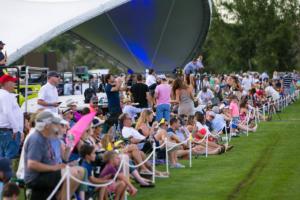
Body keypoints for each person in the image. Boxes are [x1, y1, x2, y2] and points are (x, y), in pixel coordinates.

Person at [24, 110, 84, 199]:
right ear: (47, 125)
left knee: (80, 171)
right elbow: (32, 164)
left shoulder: (46, 137)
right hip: (36, 177)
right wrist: (55, 167)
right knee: (72, 173)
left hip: (47, 173)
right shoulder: (36, 138)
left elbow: (62, 158)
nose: (57, 126)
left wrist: (60, 166)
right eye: (55, 124)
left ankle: (61, 197)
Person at [0, 74, 22, 159]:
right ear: (7, 83)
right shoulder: (6, 95)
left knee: (2, 158)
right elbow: (8, 112)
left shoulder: (3, 94)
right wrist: (16, 129)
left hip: (4, 130)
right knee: (9, 158)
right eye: (13, 82)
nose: (14, 84)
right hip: (8, 131)